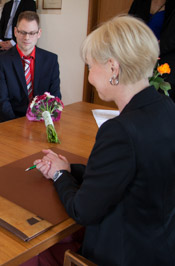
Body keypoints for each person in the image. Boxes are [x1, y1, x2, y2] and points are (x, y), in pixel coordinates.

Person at [34, 16, 175, 265]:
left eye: (90, 66)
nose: (89, 76)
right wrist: (69, 169)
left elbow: (82, 210)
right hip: (160, 245)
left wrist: (59, 176)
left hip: (122, 254)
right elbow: (129, 176)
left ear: (113, 67)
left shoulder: (120, 130)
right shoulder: (166, 107)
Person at [0, 11, 61, 123]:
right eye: (22, 32)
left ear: (39, 33)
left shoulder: (51, 60)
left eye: (32, 33)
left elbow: (55, 98)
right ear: (15, 31)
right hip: (10, 123)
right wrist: (20, 127)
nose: (27, 38)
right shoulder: (1, 61)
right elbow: (2, 102)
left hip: (41, 122)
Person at [129, 0, 175, 101]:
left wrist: (151, 48)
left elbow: (171, 39)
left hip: (167, 65)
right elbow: (128, 25)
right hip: (139, 60)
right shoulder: (140, 2)